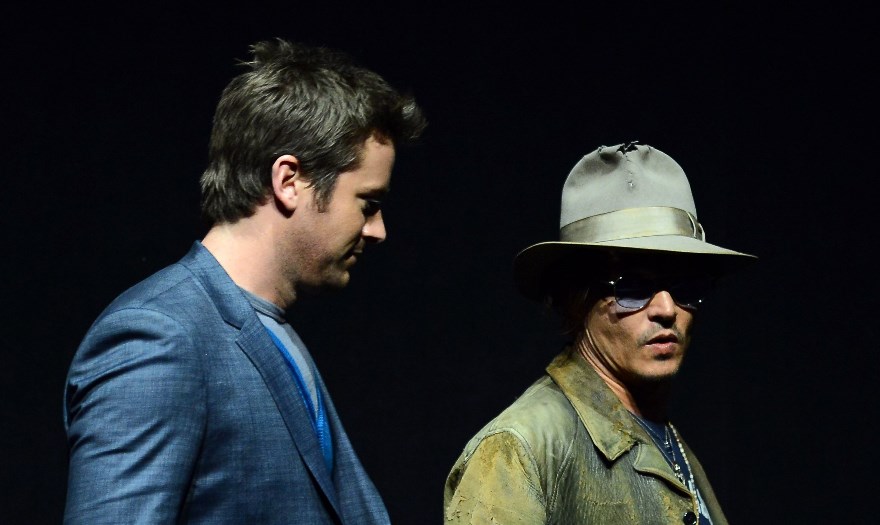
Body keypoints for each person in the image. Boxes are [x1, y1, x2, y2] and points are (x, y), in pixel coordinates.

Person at [63, 38, 426, 524]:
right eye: (368, 203)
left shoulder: (268, 330)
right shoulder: (159, 337)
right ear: (289, 181)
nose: (378, 230)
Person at [443, 141, 755, 524]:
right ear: (576, 297)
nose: (666, 309)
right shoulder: (519, 449)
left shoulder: (669, 444)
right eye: (633, 287)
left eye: (687, 286)